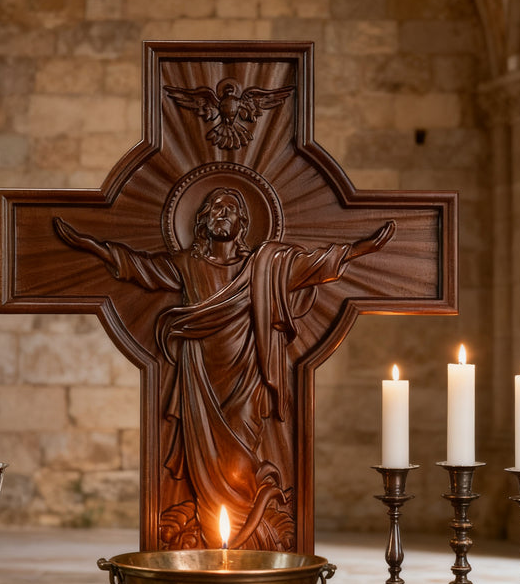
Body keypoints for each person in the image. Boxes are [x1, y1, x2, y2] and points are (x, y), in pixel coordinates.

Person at [54, 187, 395, 551]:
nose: (221, 213)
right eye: (214, 207)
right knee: (206, 464)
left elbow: (312, 265)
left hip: (247, 378)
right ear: (200, 221)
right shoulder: (187, 264)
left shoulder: (264, 267)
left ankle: (249, 542)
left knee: (242, 460)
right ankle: (217, 542)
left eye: (230, 209)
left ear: (243, 223)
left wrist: (365, 248)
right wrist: (89, 244)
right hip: (200, 380)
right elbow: (141, 268)